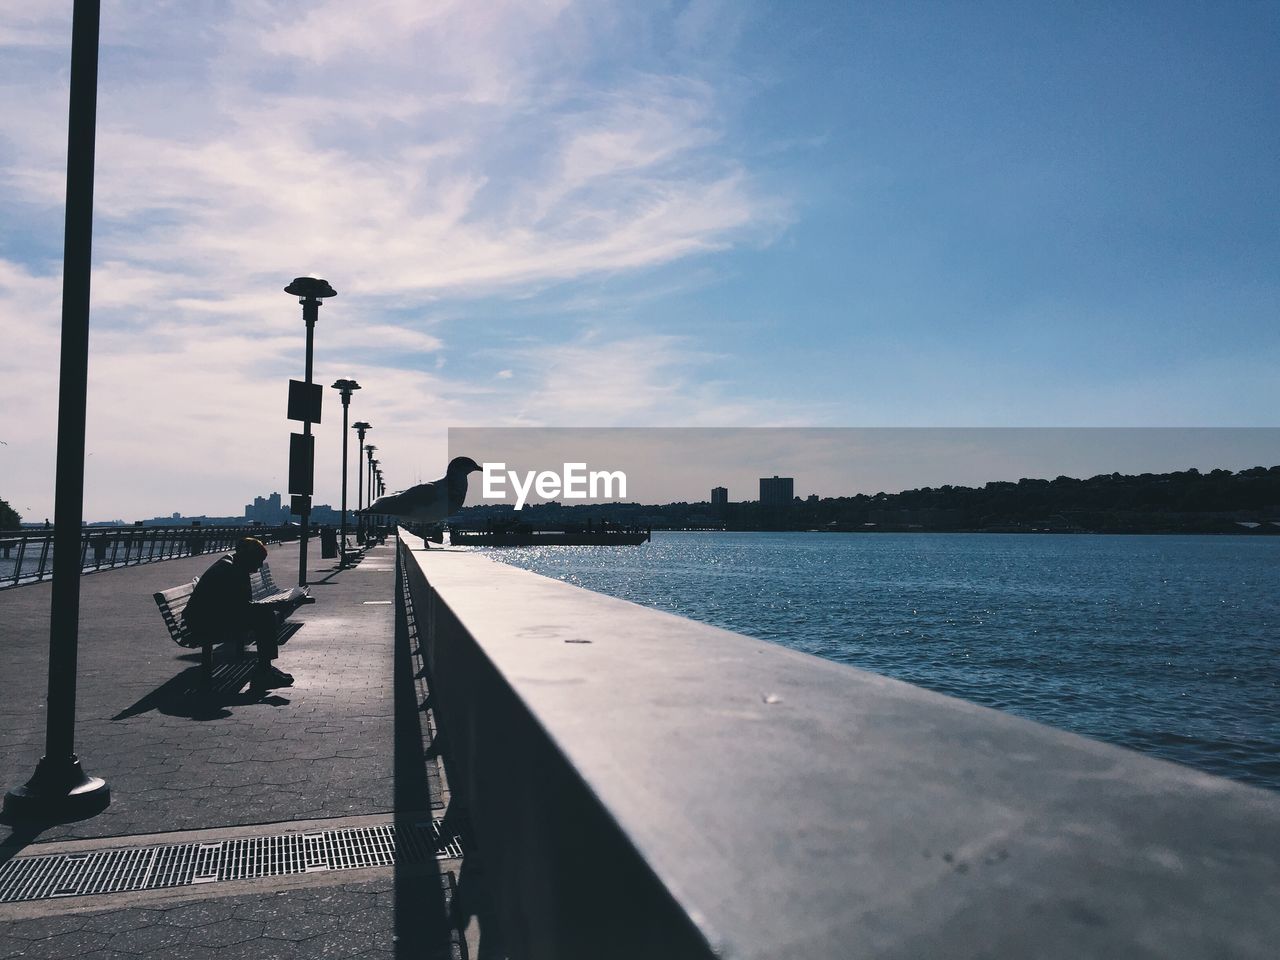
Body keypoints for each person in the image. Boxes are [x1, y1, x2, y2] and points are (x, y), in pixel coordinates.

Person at [183, 537, 293, 689]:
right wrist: (270, 607)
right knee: (265, 617)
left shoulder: (234, 565)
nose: (260, 565)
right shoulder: (231, 570)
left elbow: (237, 606)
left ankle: (265, 669)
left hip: (209, 618)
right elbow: (238, 607)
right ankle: (264, 672)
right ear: (249, 557)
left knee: (264, 615)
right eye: (258, 560)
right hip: (204, 625)